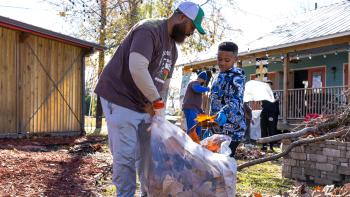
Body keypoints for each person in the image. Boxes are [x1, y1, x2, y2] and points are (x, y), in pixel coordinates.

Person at [94, 1, 206, 196]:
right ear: (181, 17)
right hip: (119, 98)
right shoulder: (149, 30)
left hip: (144, 105)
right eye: (192, 27)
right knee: (126, 156)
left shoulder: (173, 50)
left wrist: (159, 113)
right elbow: (137, 68)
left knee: (149, 157)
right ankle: (125, 194)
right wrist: (157, 101)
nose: (191, 33)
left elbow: (165, 83)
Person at [209, 41, 246, 158]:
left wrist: (224, 112)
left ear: (235, 59)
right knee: (215, 162)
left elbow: (236, 99)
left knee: (225, 162)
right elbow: (213, 98)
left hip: (232, 129)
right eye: (219, 59)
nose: (222, 63)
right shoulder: (218, 76)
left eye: (226, 60)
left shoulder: (237, 76)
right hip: (216, 127)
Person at [182, 71, 210, 137]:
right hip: (190, 108)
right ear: (202, 79)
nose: (203, 83)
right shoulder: (195, 82)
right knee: (192, 127)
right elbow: (196, 89)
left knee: (198, 128)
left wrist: (201, 111)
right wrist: (207, 88)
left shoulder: (198, 86)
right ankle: (189, 144)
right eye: (203, 81)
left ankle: (195, 142)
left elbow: (196, 103)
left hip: (194, 110)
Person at [260, 80, 280, 151]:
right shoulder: (263, 94)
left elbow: (277, 99)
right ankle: (264, 145)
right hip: (264, 113)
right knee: (263, 129)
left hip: (272, 114)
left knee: (271, 130)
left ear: (271, 86)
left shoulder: (275, 93)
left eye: (269, 85)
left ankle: (271, 146)